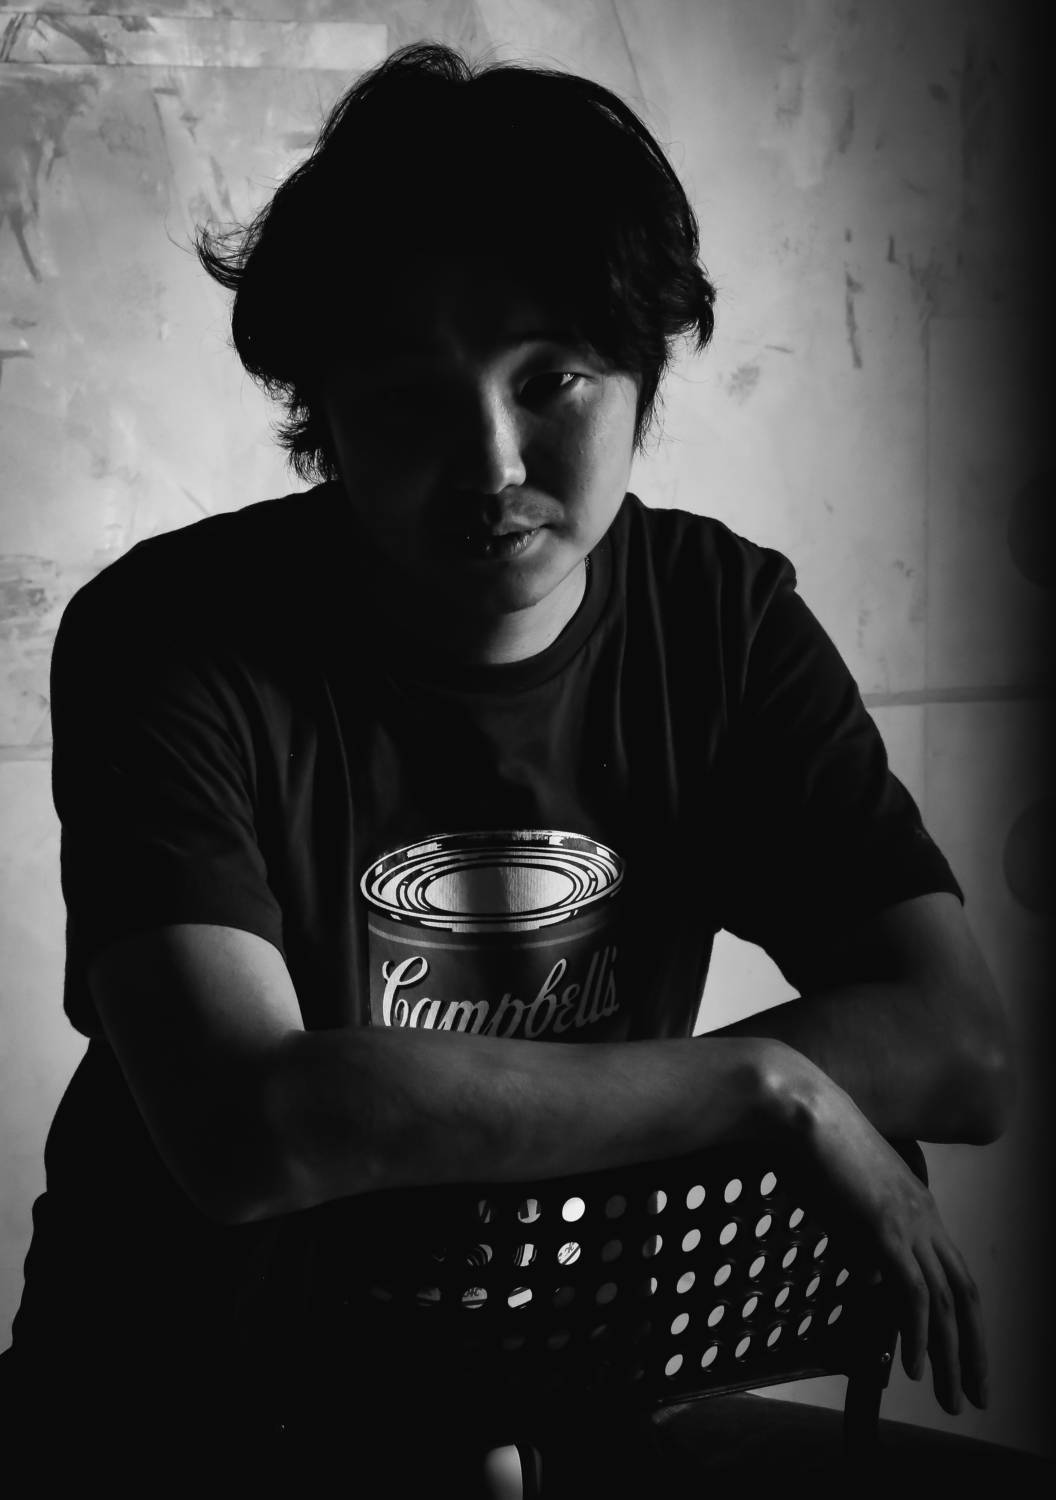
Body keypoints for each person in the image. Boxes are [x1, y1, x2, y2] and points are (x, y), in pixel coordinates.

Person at [4, 40, 1022, 1494]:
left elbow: (960, 1049)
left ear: (644, 371)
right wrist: (764, 1084)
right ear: (322, 409)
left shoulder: (722, 624)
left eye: (553, 377)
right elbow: (252, 1130)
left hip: (558, 1398)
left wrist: (764, 1081)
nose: (491, 463)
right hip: (184, 1419)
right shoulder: (171, 637)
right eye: (409, 395)